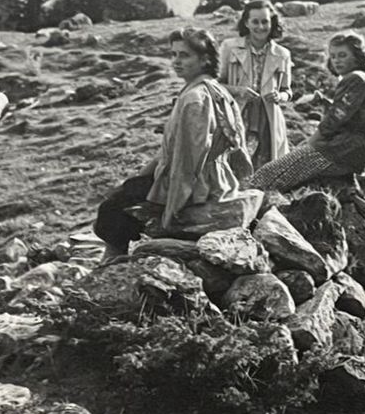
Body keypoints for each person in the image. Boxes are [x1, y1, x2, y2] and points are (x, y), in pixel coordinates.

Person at [91, 26, 254, 263]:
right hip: (218, 177)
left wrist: (171, 212)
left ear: (205, 59)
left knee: (112, 209)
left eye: (184, 55)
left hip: (200, 186)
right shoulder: (218, 90)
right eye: (173, 54)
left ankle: (111, 265)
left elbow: (187, 165)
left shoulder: (194, 100)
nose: (176, 61)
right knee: (127, 189)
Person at [245, 31, 365, 197]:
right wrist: (326, 103)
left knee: (267, 176)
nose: (337, 61)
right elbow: (352, 113)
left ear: (357, 56)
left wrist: (312, 142)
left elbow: (337, 117)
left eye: (343, 55)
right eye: (333, 56)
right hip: (357, 150)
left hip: (341, 149)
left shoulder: (356, 78)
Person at [219, 0, 294, 167]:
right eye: (255, 21)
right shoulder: (229, 47)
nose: (260, 27)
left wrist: (279, 96)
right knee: (235, 159)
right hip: (237, 112)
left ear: (272, 22)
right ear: (246, 23)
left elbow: (287, 91)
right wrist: (238, 90)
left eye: (265, 21)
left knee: (265, 162)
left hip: (268, 117)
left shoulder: (283, 54)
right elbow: (216, 84)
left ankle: (261, 191)